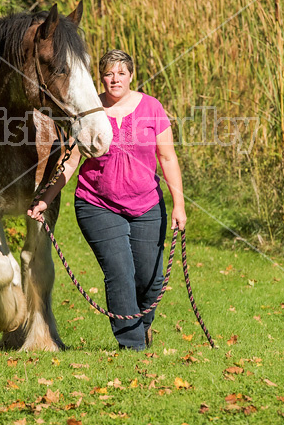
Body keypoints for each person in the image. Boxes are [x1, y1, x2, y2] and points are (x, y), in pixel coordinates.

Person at [28, 50, 187, 351]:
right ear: (101, 77)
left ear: (131, 75)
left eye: (121, 73)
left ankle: (142, 327)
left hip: (147, 204)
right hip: (97, 204)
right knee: (120, 272)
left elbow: (167, 157)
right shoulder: (90, 110)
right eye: (108, 74)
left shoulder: (151, 108)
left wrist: (179, 205)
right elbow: (70, 163)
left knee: (150, 279)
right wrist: (46, 199)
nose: (115, 79)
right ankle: (132, 346)